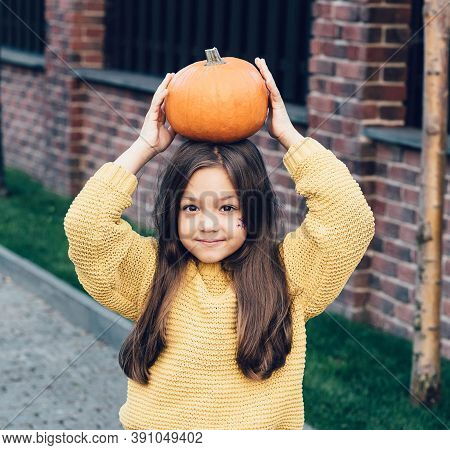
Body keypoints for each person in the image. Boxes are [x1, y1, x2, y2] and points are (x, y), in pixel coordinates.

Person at [63, 58, 375, 430]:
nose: (208, 224)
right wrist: (145, 146)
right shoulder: (150, 271)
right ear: (172, 210)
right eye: (191, 207)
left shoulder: (289, 274)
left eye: (228, 207)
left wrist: (289, 136)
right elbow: (85, 229)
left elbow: (350, 217)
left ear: (253, 210)